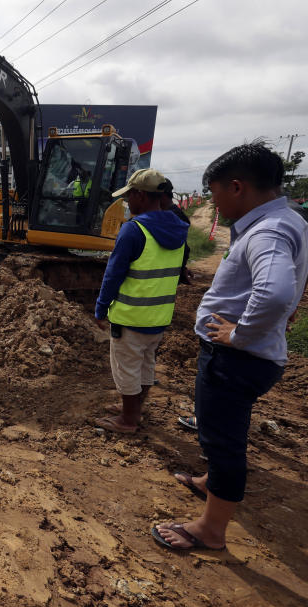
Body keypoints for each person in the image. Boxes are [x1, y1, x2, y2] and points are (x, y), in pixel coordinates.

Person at [151, 143, 308, 552]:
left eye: (214, 193)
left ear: (236, 187)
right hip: (250, 355)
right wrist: (282, 314)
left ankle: (210, 530)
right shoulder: (289, 221)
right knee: (215, 426)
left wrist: (240, 334)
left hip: (237, 357)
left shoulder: (268, 230)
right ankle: (210, 483)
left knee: (225, 442)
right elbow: (295, 281)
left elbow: (274, 293)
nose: (213, 203)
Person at [94, 169, 189, 433]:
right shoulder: (179, 230)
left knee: (126, 371)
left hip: (131, 317)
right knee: (146, 367)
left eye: (128, 196)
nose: (126, 202)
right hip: (158, 318)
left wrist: (101, 308)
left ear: (140, 195)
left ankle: (127, 420)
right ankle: (134, 409)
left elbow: (113, 275)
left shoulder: (133, 231)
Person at [161, 182, 193, 283]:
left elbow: (183, 248)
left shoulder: (171, 216)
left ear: (162, 195)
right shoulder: (172, 213)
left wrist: (181, 268)